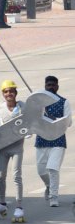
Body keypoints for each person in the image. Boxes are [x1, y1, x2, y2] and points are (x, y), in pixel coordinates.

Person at [0, 80, 26, 221]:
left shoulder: (22, 107)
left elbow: (33, 119)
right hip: (2, 148)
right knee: (0, 176)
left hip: (17, 148)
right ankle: (2, 203)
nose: (9, 94)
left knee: (16, 176)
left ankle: (19, 206)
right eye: (6, 91)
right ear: (3, 94)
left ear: (16, 93)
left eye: (11, 91)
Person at [36, 75, 71, 208]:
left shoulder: (64, 102)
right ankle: (49, 186)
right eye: (48, 85)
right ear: (45, 86)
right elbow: (33, 119)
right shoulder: (39, 102)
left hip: (58, 140)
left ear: (57, 86)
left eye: (53, 85)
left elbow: (68, 123)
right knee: (41, 170)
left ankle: (54, 196)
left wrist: (54, 119)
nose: (50, 87)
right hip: (41, 140)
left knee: (52, 168)